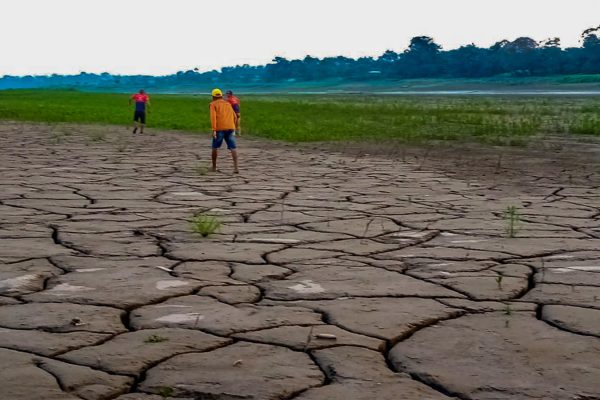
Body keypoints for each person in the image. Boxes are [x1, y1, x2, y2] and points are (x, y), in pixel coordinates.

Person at [209, 88, 239, 173]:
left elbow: (213, 118)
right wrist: (234, 127)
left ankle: (214, 167)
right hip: (230, 128)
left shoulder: (213, 104)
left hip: (219, 129)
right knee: (233, 147)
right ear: (221, 95)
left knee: (215, 147)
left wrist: (214, 130)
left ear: (213, 96)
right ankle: (236, 168)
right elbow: (235, 116)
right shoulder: (228, 104)